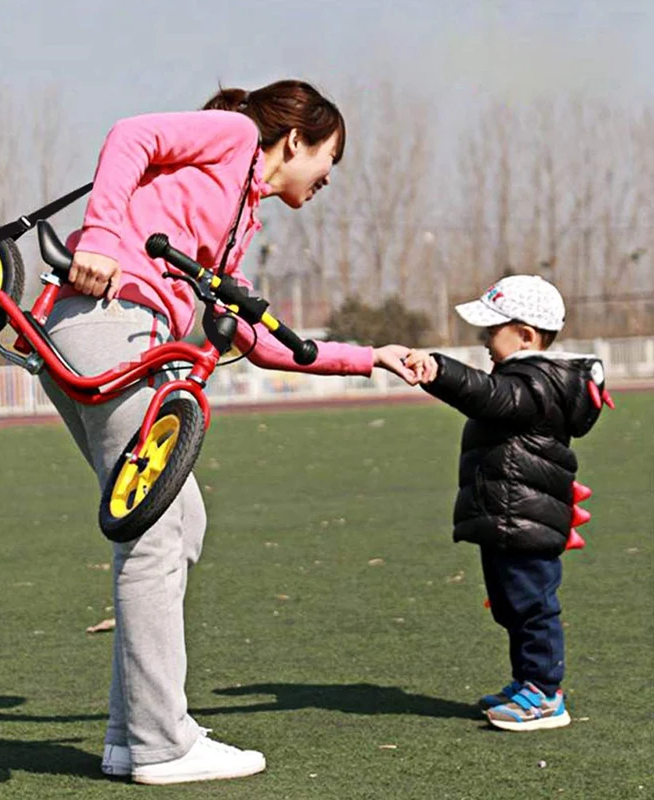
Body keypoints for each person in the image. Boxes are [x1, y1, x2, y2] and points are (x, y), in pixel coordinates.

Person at [38, 80, 417, 785]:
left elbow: (260, 338)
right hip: (109, 322)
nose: (330, 176)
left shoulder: (239, 222)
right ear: (296, 139)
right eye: (329, 158)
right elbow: (131, 133)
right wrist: (99, 235)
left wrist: (370, 359)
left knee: (180, 520)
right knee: (155, 534)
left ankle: (131, 735)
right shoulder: (238, 136)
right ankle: (160, 743)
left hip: (111, 338)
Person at [400, 274, 608, 732]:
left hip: (525, 516)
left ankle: (545, 693)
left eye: (492, 331)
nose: (484, 342)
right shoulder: (525, 379)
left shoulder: (536, 383)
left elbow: (491, 397)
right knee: (512, 604)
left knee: (532, 605)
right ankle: (526, 682)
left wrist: (440, 369)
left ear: (526, 335)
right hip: (509, 513)